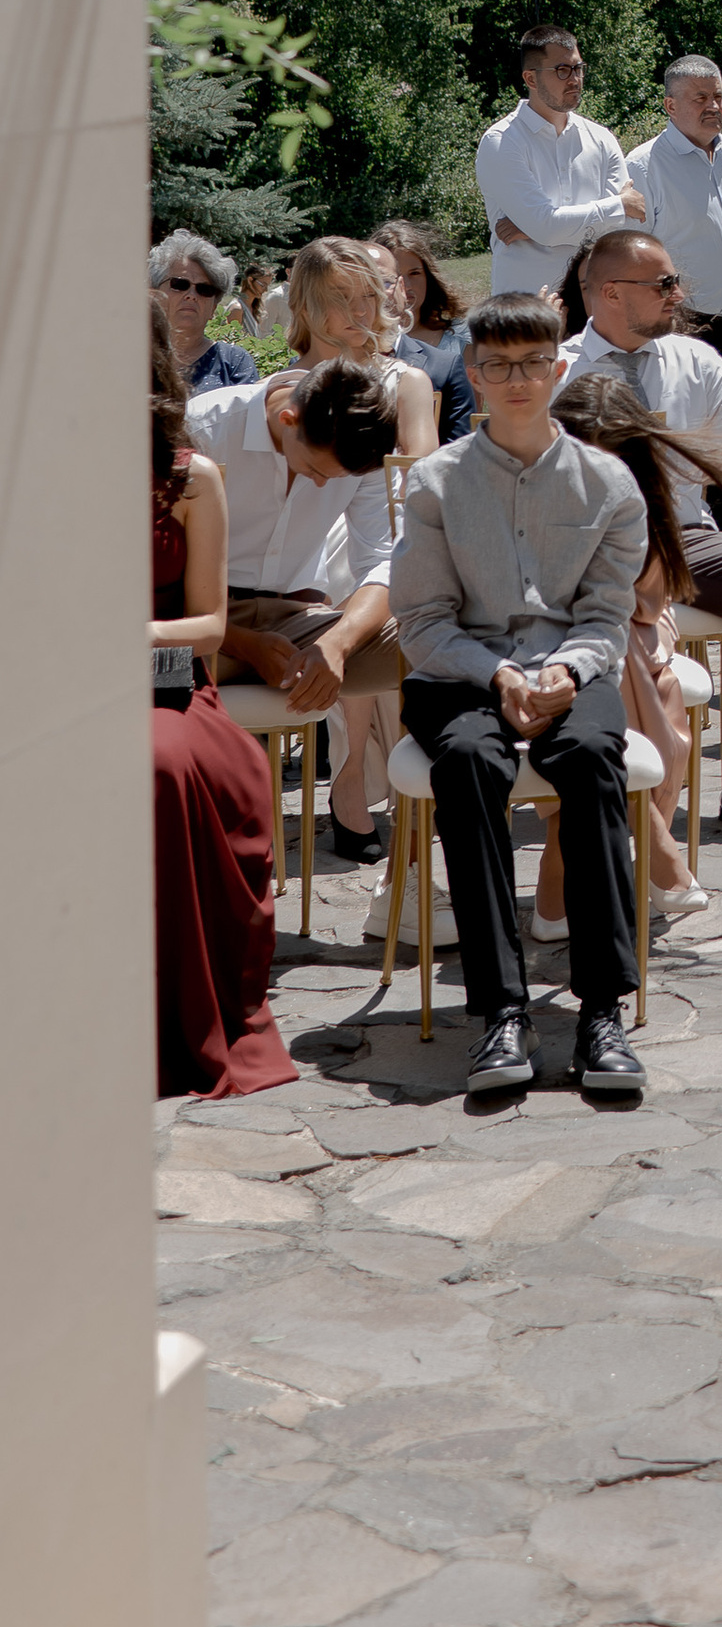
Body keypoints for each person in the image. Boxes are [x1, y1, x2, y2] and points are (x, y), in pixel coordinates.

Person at [391, 294, 648, 1102]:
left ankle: (602, 1007)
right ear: (471, 372)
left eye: (533, 361)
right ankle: (501, 1009)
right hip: (461, 673)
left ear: (558, 366)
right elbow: (421, 621)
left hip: (570, 669)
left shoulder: (608, 482)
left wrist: (567, 672)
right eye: (497, 364)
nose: (516, 379)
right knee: (468, 759)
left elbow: (610, 616)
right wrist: (499, 676)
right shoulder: (436, 484)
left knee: (591, 753)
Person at [563, 226, 722, 843]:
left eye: (677, 280)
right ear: (611, 293)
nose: (679, 293)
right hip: (583, 549)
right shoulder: (558, 368)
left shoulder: (696, 359)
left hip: (683, 539)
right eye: (664, 283)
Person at [548, 370, 722, 927]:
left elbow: (648, 601)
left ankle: (559, 896)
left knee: (617, 648)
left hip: (639, 626)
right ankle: (653, 851)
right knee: (604, 657)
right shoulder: (535, 492)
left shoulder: (645, 496)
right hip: (556, 636)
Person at [149, 305, 292, 1097]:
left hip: (162, 677)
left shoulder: (189, 476)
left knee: (161, 767)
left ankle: (171, 1015)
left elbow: (208, 626)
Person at [187, 347, 402, 858]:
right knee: (154, 666)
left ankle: (416, 873)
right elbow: (148, 577)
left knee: (433, 648)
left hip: (297, 623)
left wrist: (339, 643)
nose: (322, 484)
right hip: (198, 622)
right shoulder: (204, 427)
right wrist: (244, 642)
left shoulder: (356, 445)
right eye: (314, 468)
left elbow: (388, 561)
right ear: (287, 418)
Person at [291, 239, 438, 853]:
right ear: (310, 306)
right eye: (339, 300)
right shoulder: (290, 384)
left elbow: (422, 469)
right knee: (350, 573)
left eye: (366, 297)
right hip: (315, 535)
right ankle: (353, 776)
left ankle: (370, 779)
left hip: (392, 524)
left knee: (396, 571)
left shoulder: (405, 379)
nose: (357, 311)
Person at [626, 56, 722, 368]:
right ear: (670, 106)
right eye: (701, 98)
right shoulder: (644, 166)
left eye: (719, 96)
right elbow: (634, 263)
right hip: (681, 334)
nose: (714, 106)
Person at [475, 25, 643, 302]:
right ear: (530, 78)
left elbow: (620, 231)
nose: (575, 79)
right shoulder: (501, 142)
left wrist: (538, 227)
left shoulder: (601, 138)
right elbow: (551, 225)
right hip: (525, 312)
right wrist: (617, 206)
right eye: (562, 70)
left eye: (578, 68)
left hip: (594, 307)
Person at [375, 217, 477, 442]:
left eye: (415, 274)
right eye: (395, 278)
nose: (407, 287)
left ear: (429, 276)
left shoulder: (460, 339)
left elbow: (469, 422)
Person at [152, 233, 257, 391]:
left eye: (204, 289)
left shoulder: (234, 363)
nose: (191, 295)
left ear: (214, 307)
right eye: (179, 284)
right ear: (155, 294)